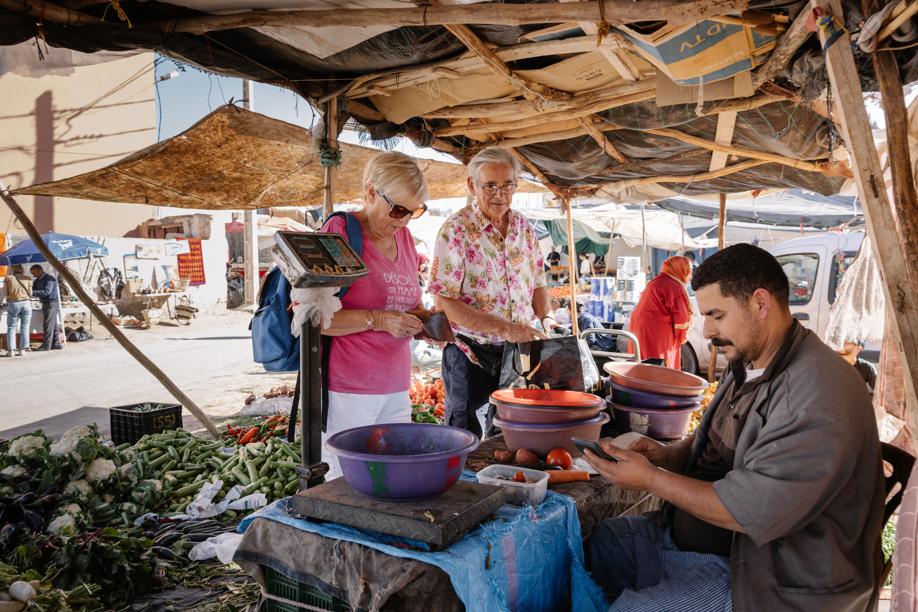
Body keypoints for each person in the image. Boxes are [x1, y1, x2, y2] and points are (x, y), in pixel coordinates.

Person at [585, 243, 884, 611]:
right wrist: (665, 456)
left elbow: (746, 511)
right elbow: (714, 447)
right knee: (601, 545)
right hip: (697, 545)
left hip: (769, 579)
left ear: (760, 303)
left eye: (716, 315)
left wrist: (651, 479)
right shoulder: (749, 361)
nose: (706, 330)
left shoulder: (817, 394)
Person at [319, 151, 433, 479]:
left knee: (393, 480)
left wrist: (423, 321)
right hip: (349, 391)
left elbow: (406, 305)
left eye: (414, 212)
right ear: (371, 192)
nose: (404, 220)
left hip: (396, 384)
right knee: (347, 484)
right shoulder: (340, 230)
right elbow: (315, 317)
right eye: (398, 209)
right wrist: (381, 320)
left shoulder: (406, 238)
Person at [429, 147, 553, 437]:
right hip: (470, 352)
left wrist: (547, 318)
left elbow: (537, 279)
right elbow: (444, 300)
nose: (501, 193)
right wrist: (506, 328)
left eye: (509, 184)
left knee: (510, 433)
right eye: (491, 186)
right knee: (464, 435)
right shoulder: (456, 229)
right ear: (472, 185)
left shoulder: (523, 226)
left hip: (517, 353)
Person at [627, 255, 692, 369]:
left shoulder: (655, 281)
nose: (690, 275)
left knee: (641, 363)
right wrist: (682, 336)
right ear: (681, 270)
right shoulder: (675, 286)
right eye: (689, 271)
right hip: (656, 332)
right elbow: (681, 318)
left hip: (639, 327)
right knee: (658, 367)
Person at [30, 264, 62, 351]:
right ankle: (56, 343)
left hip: (51, 303)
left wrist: (32, 292)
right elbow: (32, 287)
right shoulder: (37, 280)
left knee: (48, 324)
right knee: (53, 324)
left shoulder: (50, 279)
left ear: (40, 270)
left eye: (34, 273)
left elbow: (46, 292)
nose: (33, 275)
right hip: (46, 303)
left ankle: (46, 345)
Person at [3, 265, 33, 356]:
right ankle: (22, 349)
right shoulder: (28, 278)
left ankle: (11, 350)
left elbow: (5, 293)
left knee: (11, 327)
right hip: (26, 303)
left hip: (13, 303)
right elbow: (30, 293)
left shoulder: (8, 278)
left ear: (12, 269)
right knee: (25, 327)